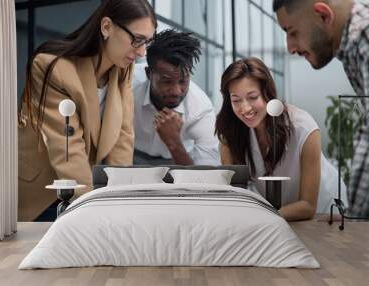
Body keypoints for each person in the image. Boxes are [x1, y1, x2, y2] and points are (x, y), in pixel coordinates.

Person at [18, 0, 156, 221]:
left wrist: (121, 200)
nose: (141, 52)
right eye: (136, 40)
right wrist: (97, 212)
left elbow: (123, 137)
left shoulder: (122, 70)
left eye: (147, 42)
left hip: (88, 192)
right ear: (107, 27)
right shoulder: (52, 67)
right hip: (43, 195)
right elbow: (67, 150)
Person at [216, 57, 348, 221]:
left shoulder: (303, 127)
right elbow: (232, 193)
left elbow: (307, 206)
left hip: (325, 209)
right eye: (236, 100)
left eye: (253, 97)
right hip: (279, 214)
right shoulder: (230, 135)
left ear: (267, 94)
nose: (245, 108)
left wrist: (259, 217)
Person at [272, 0, 369, 216]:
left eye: (292, 32)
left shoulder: (365, 34)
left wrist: (358, 226)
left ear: (324, 15)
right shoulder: (352, 49)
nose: (290, 47)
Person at [132, 29, 220, 166]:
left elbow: (206, 176)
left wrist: (173, 142)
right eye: (167, 81)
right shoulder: (129, 85)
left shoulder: (202, 110)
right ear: (149, 73)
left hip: (178, 160)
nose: (176, 91)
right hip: (131, 153)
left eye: (183, 81)